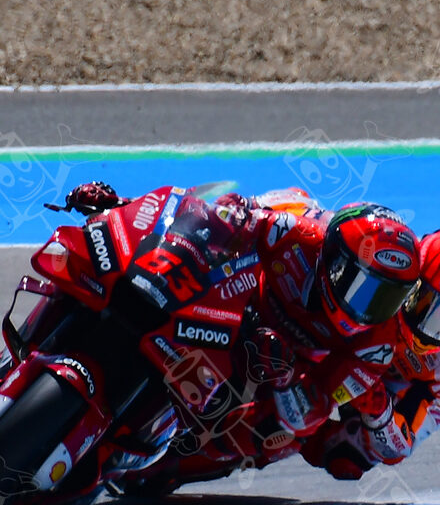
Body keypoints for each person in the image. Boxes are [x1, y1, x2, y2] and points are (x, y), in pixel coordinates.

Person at [66, 181, 421, 486]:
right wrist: (125, 206)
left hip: (277, 370)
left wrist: (285, 377)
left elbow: (316, 408)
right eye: (362, 289)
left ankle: (161, 465)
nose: (367, 309)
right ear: (334, 260)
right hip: (230, 302)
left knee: (281, 437)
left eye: (385, 299)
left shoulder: (376, 347)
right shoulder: (297, 234)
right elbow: (207, 216)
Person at [301, 230, 440, 480]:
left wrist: (378, 411)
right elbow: (335, 230)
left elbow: (401, 445)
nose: (426, 327)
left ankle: (295, 435)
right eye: (423, 302)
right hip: (333, 339)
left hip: (376, 391)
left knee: (349, 457)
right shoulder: (393, 261)